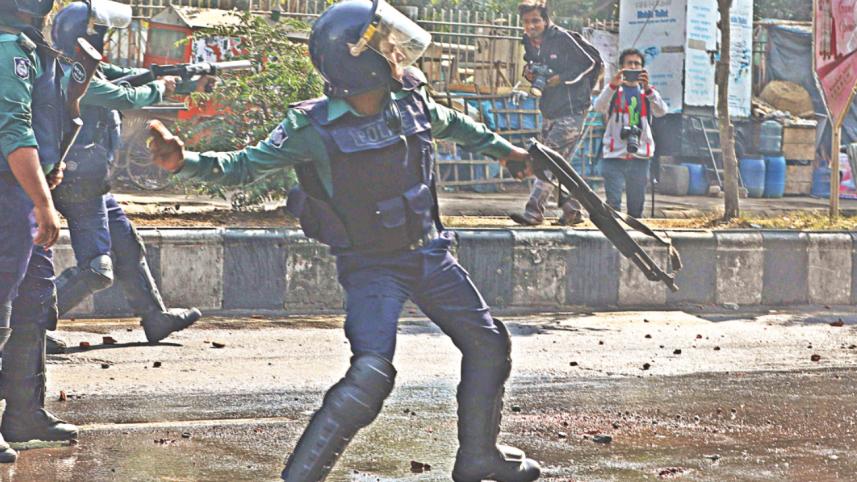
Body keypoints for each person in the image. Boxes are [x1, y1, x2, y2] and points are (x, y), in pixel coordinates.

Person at [148, 1, 542, 480]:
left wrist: (507, 153)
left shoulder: (409, 99)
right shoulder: (310, 128)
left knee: (488, 346)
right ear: (360, 59)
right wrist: (182, 160)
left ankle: (479, 456)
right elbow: (242, 165)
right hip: (373, 267)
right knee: (371, 376)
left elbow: (456, 126)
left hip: (431, 253)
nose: (397, 52)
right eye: (385, 45)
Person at [45, 0, 202, 355]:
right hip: (77, 183)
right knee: (98, 268)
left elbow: (121, 76)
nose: (104, 44)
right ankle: (30, 324)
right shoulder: (73, 76)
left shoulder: (82, 66)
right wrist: (162, 87)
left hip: (92, 180)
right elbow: (126, 96)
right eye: (101, 36)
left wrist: (168, 73)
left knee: (128, 246)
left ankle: (155, 317)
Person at [0, 0, 79, 463]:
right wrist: (44, 202)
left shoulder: (27, 48)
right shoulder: (8, 49)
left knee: (32, 305)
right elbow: (13, 131)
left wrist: (51, 167)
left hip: (20, 197)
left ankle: (25, 415)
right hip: (9, 199)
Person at [510, 0, 601, 226]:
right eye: (527, 22)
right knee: (559, 166)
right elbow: (531, 63)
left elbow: (590, 63)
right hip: (550, 109)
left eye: (536, 21)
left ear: (546, 20)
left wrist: (561, 78)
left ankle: (533, 211)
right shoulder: (529, 42)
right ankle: (573, 211)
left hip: (572, 109)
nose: (531, 26)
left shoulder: (562, 38)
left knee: (546, 159)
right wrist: (530, 73)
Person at [593, 48, 668, 218]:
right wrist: (613, 85)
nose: (633, 67)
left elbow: (662, 111)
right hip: (614, 154)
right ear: (622, 67)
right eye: (629, 64)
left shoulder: (648, 93)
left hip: (640, 155)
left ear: (643, 69)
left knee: (636, 207)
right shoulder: (613, 91)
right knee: (613, 205)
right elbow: (598, 107)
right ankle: (615, 237)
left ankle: (634, 238)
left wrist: (648, 89)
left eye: (637, 64)